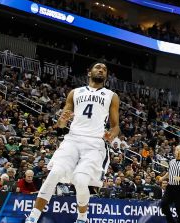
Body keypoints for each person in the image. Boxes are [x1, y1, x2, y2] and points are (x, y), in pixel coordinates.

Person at [25, 62, 120, 223]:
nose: (101, 70)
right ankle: (33, 217)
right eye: (98, 67)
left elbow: (115, 126)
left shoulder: (111, 95)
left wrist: (111, 136)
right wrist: (62, 120)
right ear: (89, 72)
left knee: (81, 180)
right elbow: (62, 123)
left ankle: (82, 218)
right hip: (73, 138)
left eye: (104, 69)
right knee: (54, 173)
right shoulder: (75, 92)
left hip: (94, 142)